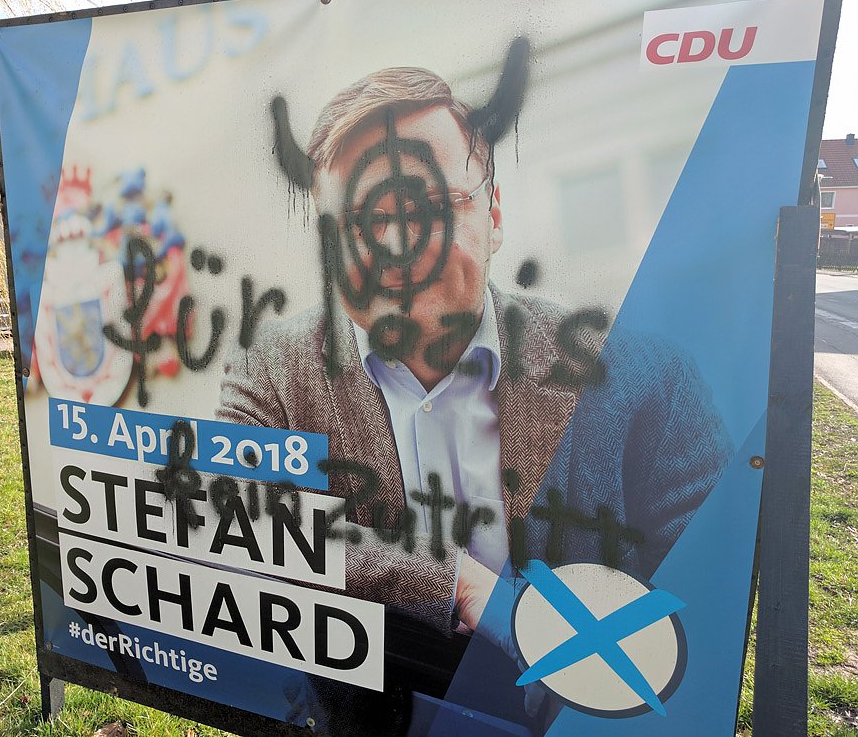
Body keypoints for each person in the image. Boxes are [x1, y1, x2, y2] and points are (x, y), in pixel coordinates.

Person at [217, 66, 731, 702]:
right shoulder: (270, 369)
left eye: (426, 205)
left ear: (493, 214)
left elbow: (713, 588)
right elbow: (232, 513)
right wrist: (459, 587)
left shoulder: (647, 380)